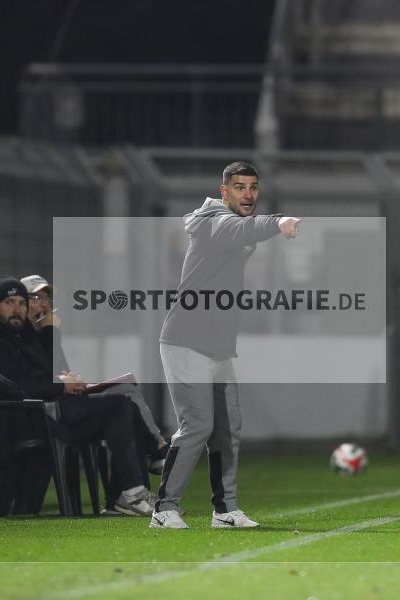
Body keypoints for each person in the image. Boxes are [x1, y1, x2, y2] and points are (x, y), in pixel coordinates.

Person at [151, 161, 300, 529]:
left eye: (252, 187)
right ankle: (163, 509)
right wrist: (277, 222)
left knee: (228, 427)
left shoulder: (230, 223)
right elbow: (241, 227)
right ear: (224, 192)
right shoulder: (215, 221)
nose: (247, 194)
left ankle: (225, 511)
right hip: (186, 341)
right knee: (197, 426)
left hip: (217, 345)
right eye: (239, 187)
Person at [0, 277, 155, 517]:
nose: (17, 309)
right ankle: (136, 482)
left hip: (49, 412)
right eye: (9, 302)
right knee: (119, 405)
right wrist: (62, 384)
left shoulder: (23, 334)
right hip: (30, 419)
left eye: (22, 302)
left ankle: (128, 493)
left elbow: (52, 371)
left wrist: (54, 346)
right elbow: (17, 385)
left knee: (124, 402)